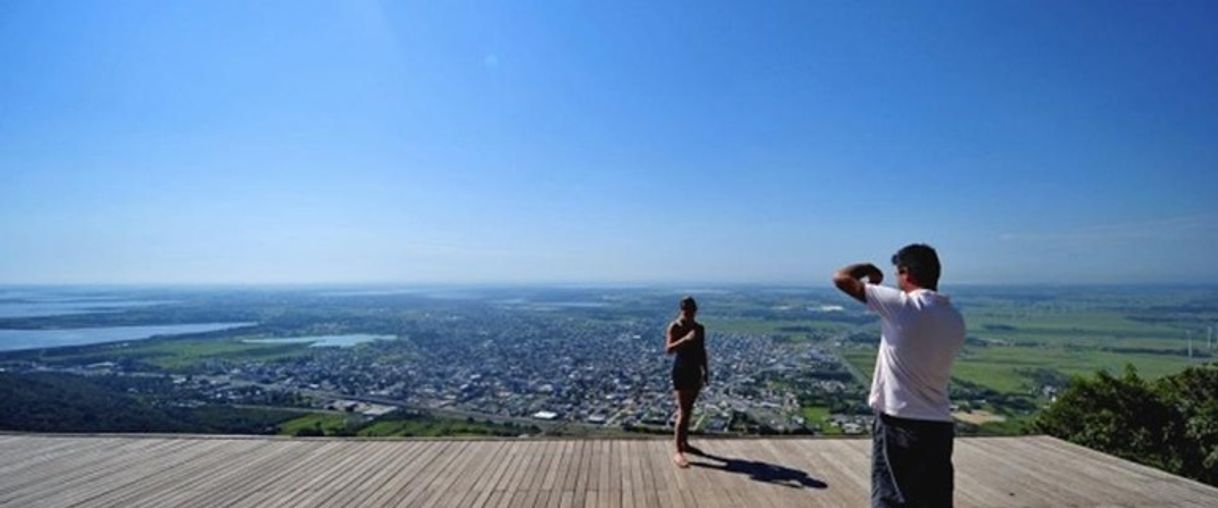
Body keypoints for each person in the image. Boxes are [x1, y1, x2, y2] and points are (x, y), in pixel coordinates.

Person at [833, 244, 965, 508]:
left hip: (899, 421)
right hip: (938, 424)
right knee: (932, 499)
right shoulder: (954, 317)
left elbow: (842, 278)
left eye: (897, 273)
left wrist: (869, 269)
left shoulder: (903, 306)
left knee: (892, 497)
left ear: (905, 272)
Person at [666, 296, 708, 468]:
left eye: (691, 309)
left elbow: (702, 351)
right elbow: (668, 349)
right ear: (681, 309)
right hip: (681, 370)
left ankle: (684, 443)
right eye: (685, 309)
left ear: (695, 310)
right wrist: (685, 339)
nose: (688, 312)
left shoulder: (700, 328)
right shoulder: (675, 326)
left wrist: (706, 371)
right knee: (682, 412)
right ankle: (678, 452)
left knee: (689, 411)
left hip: (694, 370)